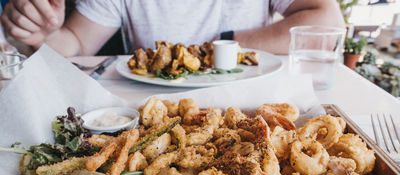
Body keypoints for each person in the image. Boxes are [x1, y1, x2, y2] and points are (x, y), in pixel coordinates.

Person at [0, 0, 344, 57]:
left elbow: (327, 20)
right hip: (146, 111)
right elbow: (75, 44)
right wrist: (39, 36)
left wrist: (221, 46)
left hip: (247, 101)